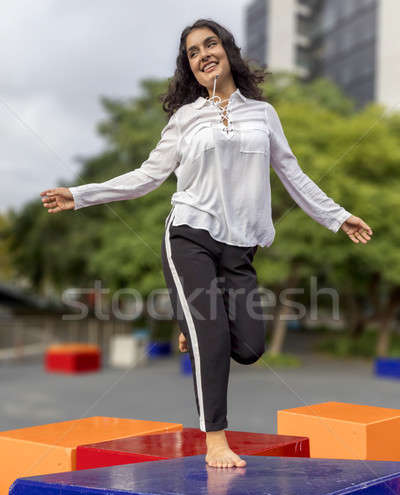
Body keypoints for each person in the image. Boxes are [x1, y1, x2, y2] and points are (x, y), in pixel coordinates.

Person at [40, 18, 372, 469]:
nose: (202, 55)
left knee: (250, 347)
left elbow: (293, 176)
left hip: (240, 249)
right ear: (189, 67)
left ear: (227, 50)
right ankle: (216, 439)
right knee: (212, 339)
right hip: (189, 234)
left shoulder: (263, 114)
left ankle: (193, 323)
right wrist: (80, 195)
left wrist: (337, 216)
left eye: (209, 45)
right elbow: (146, 177)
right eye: (192, 53)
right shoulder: (185, 118)